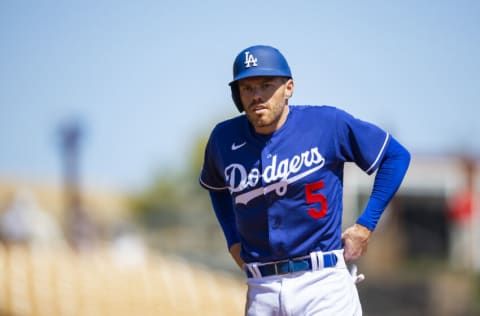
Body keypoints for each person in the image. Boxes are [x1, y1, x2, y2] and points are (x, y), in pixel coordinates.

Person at [199, 45, 410, 315]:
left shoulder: (326, 123)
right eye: (247, 88)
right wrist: (232, 240)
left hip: (322, 284)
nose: (257, 95)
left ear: (289, 88)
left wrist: (365, 225)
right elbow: (216, 188)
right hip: (260, 287)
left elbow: (395, 156)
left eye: (266, 85)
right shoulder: (224, 139)